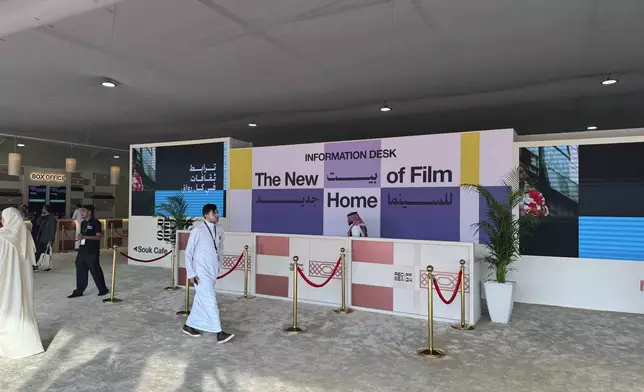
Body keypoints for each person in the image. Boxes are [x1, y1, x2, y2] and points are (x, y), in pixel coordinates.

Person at [182, 204, 234, 343]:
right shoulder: (198, 230)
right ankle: (219, 332)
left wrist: (219, 265)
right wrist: (191, 273)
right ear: (206, 215)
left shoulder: (220, 229)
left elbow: (220, 249)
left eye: (217, 212)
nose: (217, 215)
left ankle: (188, 325)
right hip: (200, 272)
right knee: (210, 300)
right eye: (214, 213)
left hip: (212, 270)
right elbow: (188, 253)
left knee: (201, 299)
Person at [0, 207, 45, 359]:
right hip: (23, 282)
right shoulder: (25, 236)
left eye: (3, 218)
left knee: (7, 308)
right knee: (21, 307)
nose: (1, 221)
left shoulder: (4, 238)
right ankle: (27, 343)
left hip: (6, 282)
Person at [67, 205, 109, 298]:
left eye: (83, 211)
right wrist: (81, 237)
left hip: (92, 251)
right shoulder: (83, 223)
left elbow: (99, 236)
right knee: (80, 269)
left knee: (95, 270)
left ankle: (103, 289)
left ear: (89, 212)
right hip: (82, 250)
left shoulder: (96, 223)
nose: (81, 213)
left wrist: (85, 237)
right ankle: (79, 290)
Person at [33, 205, 57, 272]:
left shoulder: (52, 219)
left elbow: (53, 230)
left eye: (43, 208)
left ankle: (41, 265)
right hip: (40, 238)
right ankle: (38, 265)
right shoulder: (43, 217)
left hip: (47, 239)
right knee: (39, 252)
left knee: (45, 253)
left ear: (46, 209)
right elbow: (37, 223)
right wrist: (41, 216)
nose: (42, 210)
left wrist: (51, 240)